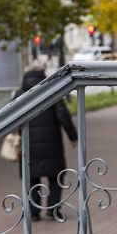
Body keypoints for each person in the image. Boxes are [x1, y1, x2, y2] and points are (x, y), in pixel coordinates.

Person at [16, 62, 77, 221]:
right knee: (56, 176)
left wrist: (17, 135)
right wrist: (73, 137)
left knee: (31, 177)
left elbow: (13, 119)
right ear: (43, 73)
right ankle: (53, 209)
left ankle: (34, 212)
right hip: (52, 144)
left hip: (29, 144)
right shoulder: (51, 91)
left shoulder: (19, 94)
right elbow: (63, 115)